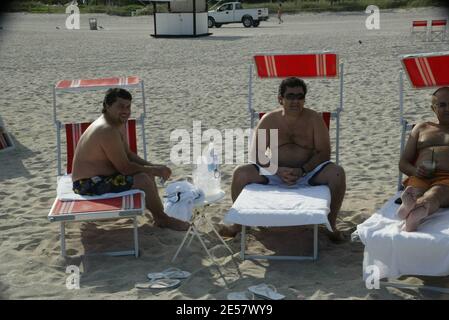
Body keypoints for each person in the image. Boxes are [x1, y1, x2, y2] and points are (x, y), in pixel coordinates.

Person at [219, 77, 346, 242]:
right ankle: (238, 226)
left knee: (337, 173)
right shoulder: (269, 120)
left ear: (304, 99)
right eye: (290, 96)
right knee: (240, 173)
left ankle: (330, 225)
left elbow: (324, 153)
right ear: (280, 99)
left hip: (308, 173)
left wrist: (302, 170)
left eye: (300, 96)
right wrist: (277, 170)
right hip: (274, 173)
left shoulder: (314, 119)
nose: (295, 101)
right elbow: (257, 154)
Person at [71, 88, 189, 231]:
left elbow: (128, 154)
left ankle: (159, 215)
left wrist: (153, 167)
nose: (126, 111)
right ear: (107, 106)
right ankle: (162, 219)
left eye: (128, 106)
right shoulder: (107, 130)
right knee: (143, 179)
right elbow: (125, 168)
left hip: (103, 177)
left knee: (148, 174)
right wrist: (154, 170)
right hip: (87, 184)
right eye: (120, 106)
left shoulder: (116, 123)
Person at [396, 87, 449, 232]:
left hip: (446, 179)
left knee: (436, 193)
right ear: (433, 108)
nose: (448, 109)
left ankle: (413, 211)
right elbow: (403, 163)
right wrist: (415, 170)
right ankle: (410, 207)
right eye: (442, 105)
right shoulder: (421, 128)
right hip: (420, 176)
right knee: (415, 191)